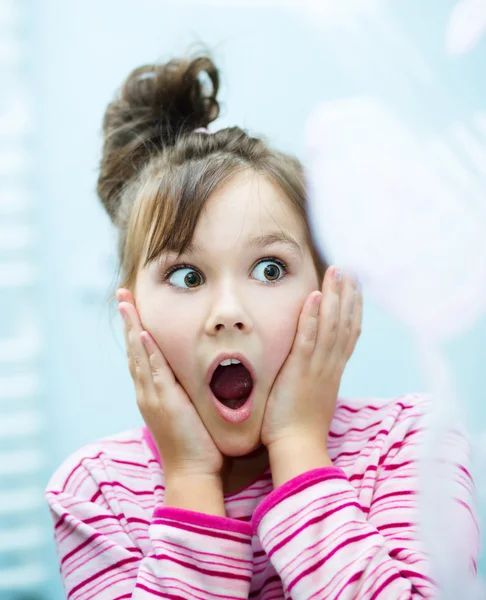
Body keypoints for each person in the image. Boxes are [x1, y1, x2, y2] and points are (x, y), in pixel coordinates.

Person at [45, 53, 479, 599]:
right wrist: (190, 480)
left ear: (327, 291)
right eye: (186, 275)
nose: (229, 311)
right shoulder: (94, 491)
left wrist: (298, 447)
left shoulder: (412, 444)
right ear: (131, 312)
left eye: (269, 269)